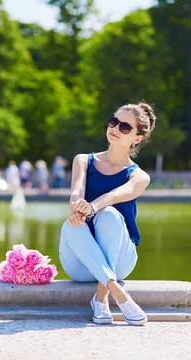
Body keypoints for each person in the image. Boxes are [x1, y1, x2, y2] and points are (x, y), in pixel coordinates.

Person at [58, 102, 156, 326]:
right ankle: (118, 293)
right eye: (114, 122)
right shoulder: (83, 160)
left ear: (137, 138)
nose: (115, 128)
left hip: (121, 260)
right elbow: (76, 192)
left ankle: (101, 297)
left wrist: (91, 207)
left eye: (125, 127)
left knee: (109, 214)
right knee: (70, 225)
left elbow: (114, 195)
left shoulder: (139, 177)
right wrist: (77, 208)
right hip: (81, 262)